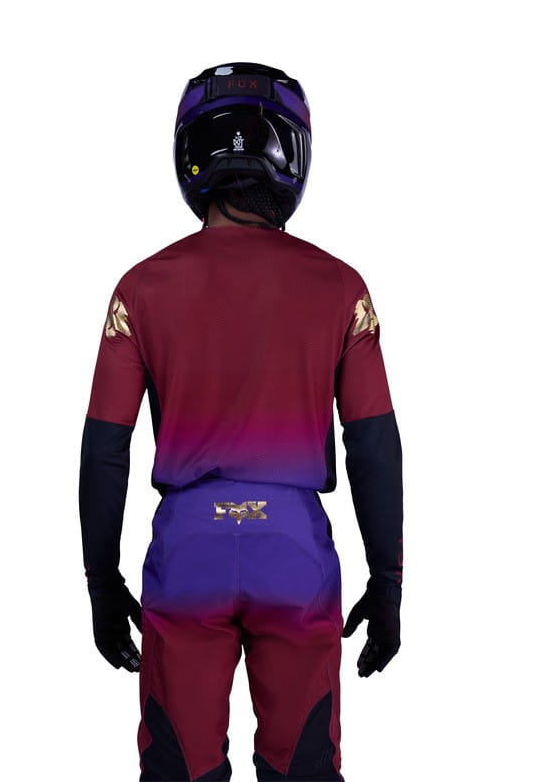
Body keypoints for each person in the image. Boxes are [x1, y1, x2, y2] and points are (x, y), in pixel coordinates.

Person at [78, 62, 403, 782]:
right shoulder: (340, 286)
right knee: (304, 768)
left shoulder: (141, 288)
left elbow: (105, 447)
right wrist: (388, 580)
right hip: (294, 554)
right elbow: (372, 444)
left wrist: (101, 581)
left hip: (186, 552)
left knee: (178, 770)